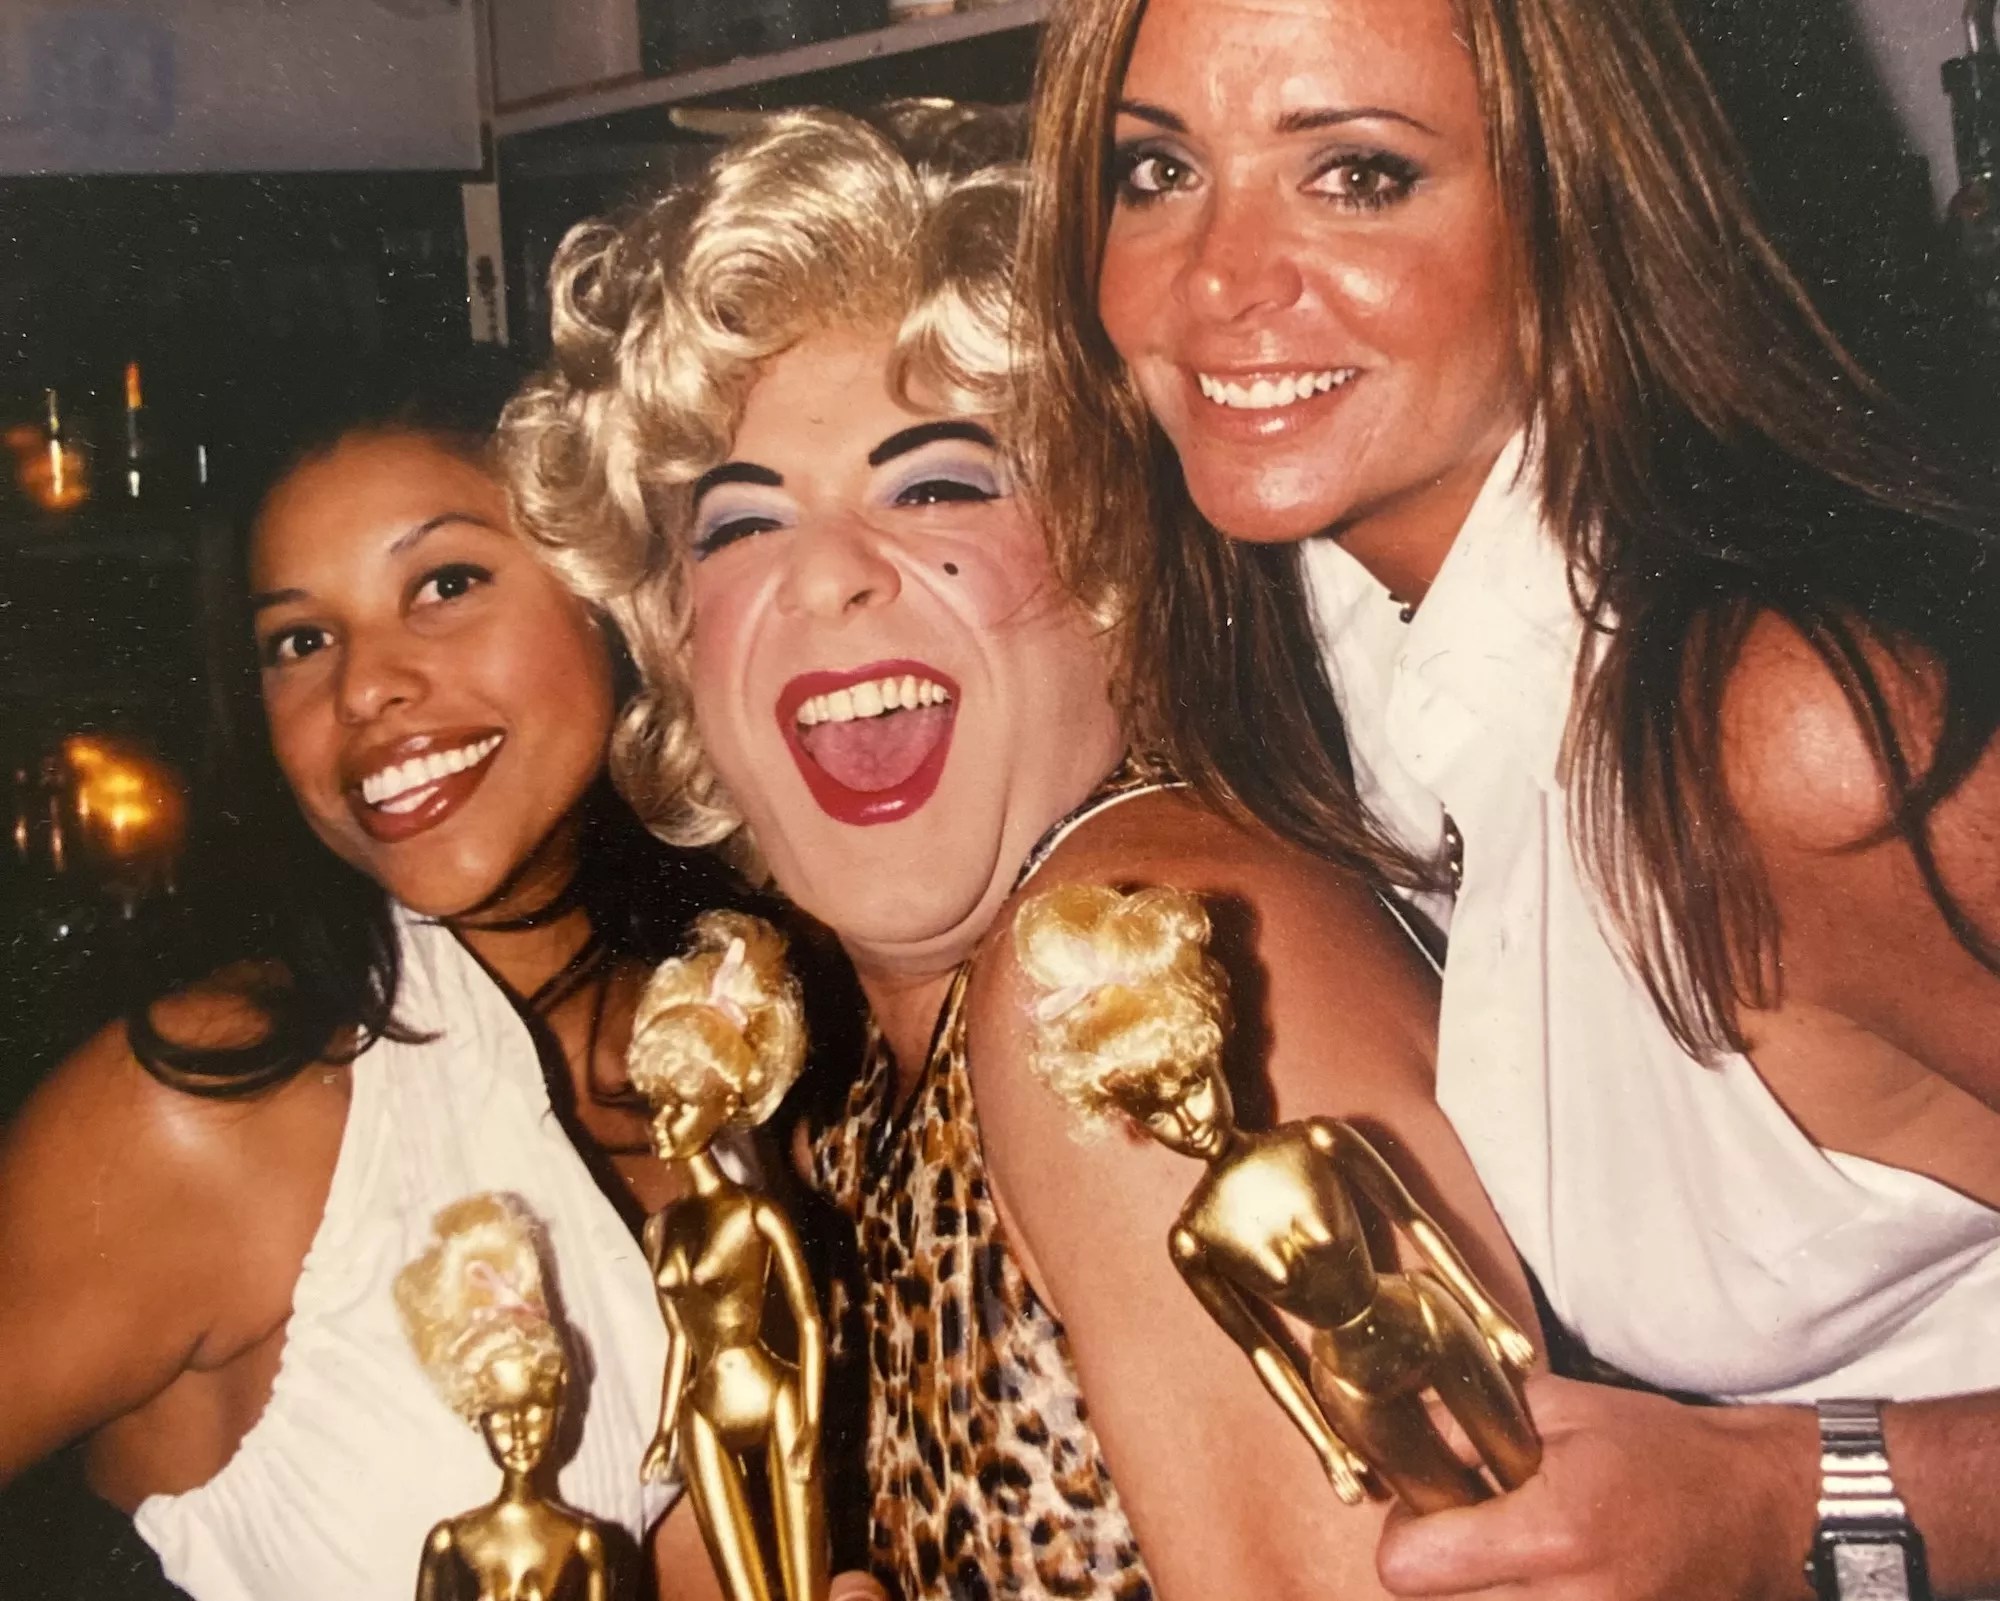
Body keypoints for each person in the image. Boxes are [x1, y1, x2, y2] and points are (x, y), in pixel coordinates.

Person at [1017, 0, 2000, 1595]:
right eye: (1155, 170)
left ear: (1583, 205)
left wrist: (1795, 1503)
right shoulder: (1346, 653)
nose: (1218, 278)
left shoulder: (1793, 737)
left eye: (1356, 175)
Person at [504, 104, 1537, 1601]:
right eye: (737, 528)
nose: (829, 577)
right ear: (673, 641)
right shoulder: (866, 1079)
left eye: (935, 487)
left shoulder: (1120, 972)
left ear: (1119, 560)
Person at [0, 376, 748, 1600]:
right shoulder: (209, 1107)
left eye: (445, 585)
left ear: (605, 598)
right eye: (299, 639)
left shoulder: (718, 1053)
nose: (362, 687)